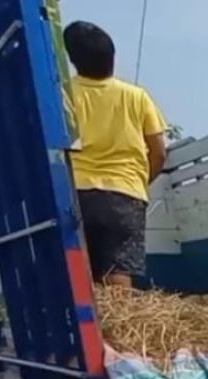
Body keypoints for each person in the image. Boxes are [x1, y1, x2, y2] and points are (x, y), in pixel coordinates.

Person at [64, 21, 167, 287]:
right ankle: (120, 327)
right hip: (126, 192)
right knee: (119, 270)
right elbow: (159, 152)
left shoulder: (63, 94)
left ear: (73, 60)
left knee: (79, 270)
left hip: (75, 191)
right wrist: (140, 181)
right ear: (112, 59)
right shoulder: (137, 96)